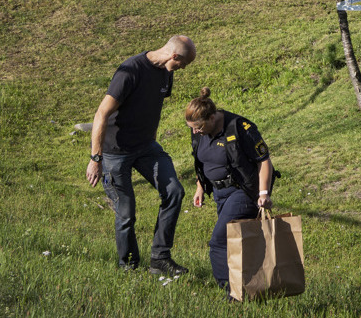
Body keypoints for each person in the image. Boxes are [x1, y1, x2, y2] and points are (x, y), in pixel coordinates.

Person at [85, 35, 196, 275]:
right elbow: (101, 114)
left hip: (146, 147)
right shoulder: (130, 71)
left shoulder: (167, 71)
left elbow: (151, 105)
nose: (182, 69)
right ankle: (129, 267)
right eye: (183, 64)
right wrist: (96, 159)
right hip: (115, 153)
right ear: (174, 56)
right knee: (126, 214)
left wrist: (150, 137)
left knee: (174, 191)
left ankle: (160, 259)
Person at [186, 87, 277, 295]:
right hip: (219, 194)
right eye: (191, 128)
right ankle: (253, 286)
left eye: (198, 127)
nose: (195, 132)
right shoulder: (199, 131)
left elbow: (264, 161)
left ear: (211, 118)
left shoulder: (240, 127)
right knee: (236, 243)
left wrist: (263, 194)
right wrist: (200, 187)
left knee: (219, 241)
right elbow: (203, 162)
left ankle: (231, 293)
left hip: (242, 191)